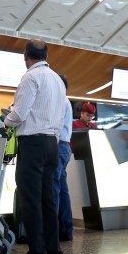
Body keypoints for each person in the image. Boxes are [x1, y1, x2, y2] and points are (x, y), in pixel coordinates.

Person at [5, 39, 68, 254]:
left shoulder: (30, 78)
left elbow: (19, 114)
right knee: (47, 201)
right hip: (52, 143)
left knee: (30, 201)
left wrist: (6, 121)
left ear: (26, 56)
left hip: (32, 143)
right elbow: (60, 116)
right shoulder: (57, 80)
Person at [54, 75, 74, 242]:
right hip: (65, 147)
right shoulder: (66, 101)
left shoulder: (60, 101)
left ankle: (50, 233)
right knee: (62, 189)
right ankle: (66, 231)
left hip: (58, 147)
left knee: (53, 189)